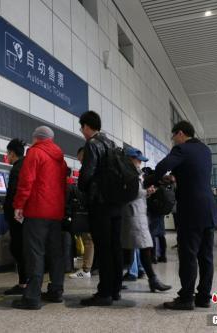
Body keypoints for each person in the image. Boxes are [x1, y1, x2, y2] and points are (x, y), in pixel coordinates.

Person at [145, 120, 216, 310]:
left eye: (173, 136)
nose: (173, 141)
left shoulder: (182, 149)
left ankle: (185, 298)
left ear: (181, 134)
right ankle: (203, 297)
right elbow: (194, 173)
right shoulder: (205, 150)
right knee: (206, 256)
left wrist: (154, 179)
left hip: (191, 209)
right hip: (208, 208)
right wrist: (175, 177)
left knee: (188, 255)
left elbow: (161, 166)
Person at [11, 126, 67, 310]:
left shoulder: (35, 153)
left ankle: (32, 297)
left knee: (35, 252)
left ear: (36, 138)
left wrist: (19, 205)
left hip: (37, 211)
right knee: (55, 253)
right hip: (56, 212)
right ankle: (56, 290)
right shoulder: (60, 159)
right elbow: (64, 186)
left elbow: (26, 181)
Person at [78, 111, 123, 306]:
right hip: (116, 202)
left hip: (101, 203)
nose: (82, 131)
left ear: (87, 126)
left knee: (103, 248)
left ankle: (104, 293)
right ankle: (115, 290)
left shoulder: (92, 144)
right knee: (115, 246)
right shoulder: (111, 143)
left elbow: (87, 174)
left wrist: (82, 186)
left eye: (82, 127)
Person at [121, 147, 171, 292]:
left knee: (139, 248)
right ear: (130, 159)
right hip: (133, 215)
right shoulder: (128, 173)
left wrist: (145, 193)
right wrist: (146, 192)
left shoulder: (134, 173)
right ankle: (151, 279)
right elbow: (131, 193)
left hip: (137, 214)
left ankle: (150, 279)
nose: (140, 163)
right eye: (138, 160)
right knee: (139, 248)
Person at [3, 138, 26, 295]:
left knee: (17, 248)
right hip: (26, 215)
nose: (7, 157)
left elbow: (12, 194)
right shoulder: (26, 165)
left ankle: (23, 283)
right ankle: (26, 282)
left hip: (17, 216)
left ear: (12, 153)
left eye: (7, 154)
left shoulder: (16, 169)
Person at [69, 147, 94, 279]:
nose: (78, 160)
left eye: (79, 157)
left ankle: (86, 269)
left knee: (88, 239)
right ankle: (89, 267)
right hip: (95, 209)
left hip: (88, 210)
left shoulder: (88, 169)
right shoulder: (96, 167)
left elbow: (84, 191)